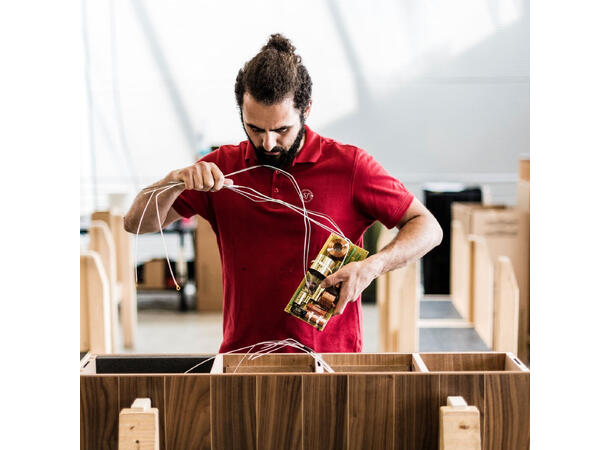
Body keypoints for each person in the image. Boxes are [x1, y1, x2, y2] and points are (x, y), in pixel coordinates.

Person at [124, 33, 442, 353]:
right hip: (243, 359)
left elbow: (428, 227)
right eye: (255, 129)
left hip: (332, 364)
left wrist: (373, 266)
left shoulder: (350, 166)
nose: (268, 144)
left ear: (306, 110)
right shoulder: (221, 169)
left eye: (281, 130)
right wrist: (173, 181)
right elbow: (135, 223)